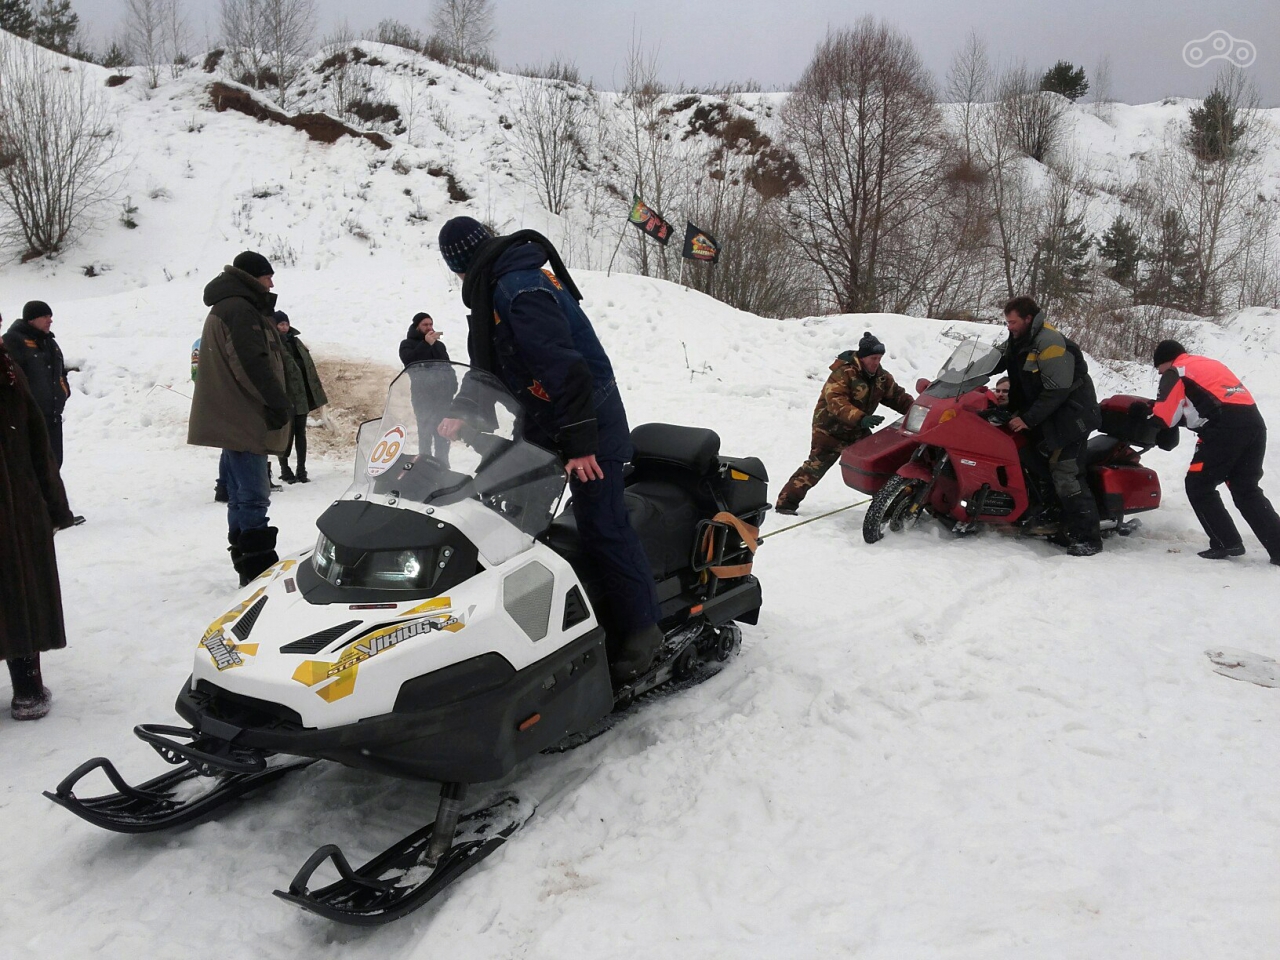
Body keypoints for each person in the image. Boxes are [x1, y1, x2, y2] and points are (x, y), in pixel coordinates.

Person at [434, 216, 662, 684]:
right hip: (543, 416)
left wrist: (580, 446)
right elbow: (491, 366)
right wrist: (462, 408)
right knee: (510, 512)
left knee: (603, 523)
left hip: (589, 421)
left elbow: (567, 369)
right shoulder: (495, 285)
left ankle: (643, 630)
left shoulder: (519, 288)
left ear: (459, 265)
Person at [188, 251, 292, 586]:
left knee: (240, 494)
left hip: (234, 414)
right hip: (246, 415)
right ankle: (256, 568)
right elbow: (251, 364)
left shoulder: (231, 305)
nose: (272, 283)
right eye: (267, 277)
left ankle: (246, 563)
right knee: (253, 495)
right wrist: (276, 402)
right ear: (252, 277)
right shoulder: (239, 308)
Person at [1151, 339, 1280, 563]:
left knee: (1199, 484)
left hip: (1225, 429)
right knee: (1246, 489)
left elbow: (1166, 416)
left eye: (1158, 368)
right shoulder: (1207, 364)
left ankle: (1225, 542)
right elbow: (1207, 403)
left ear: (1165, 361)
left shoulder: (1175, 371)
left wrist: (1144, 414)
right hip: (1254, 425)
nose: (1159, 373)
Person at [1, 336, 76, 720]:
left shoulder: (9, 369)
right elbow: (36, 441)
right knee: (19, 589)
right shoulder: (7, 370)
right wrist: (53, 506)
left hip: (18, 504)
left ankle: (28, 688)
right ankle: (27, 688)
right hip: (17, 507)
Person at [996, 296, 1102, 556]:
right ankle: (1052, 518)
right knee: (1029, 458)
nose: (1009, 326)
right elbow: (995, 361)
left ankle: (1088, 537)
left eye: (1012, 322)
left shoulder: (1051, 342)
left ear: (1028, 319)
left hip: (1071, 416)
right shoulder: (1019, 338)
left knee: (1066, 472)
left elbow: (1057, 390)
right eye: (1007, 322)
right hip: (1046, 413)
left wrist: (1028, 418)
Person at [774, 332, 914, 516]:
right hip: (830, 429)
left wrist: (918, 412)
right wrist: (861, 418)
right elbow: (836, 401)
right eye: (873, 358)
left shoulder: (882, 377)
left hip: (857, 429)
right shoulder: (843, 373)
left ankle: (886, 505)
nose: (876, 362)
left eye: (879, 358)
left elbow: (897, 397)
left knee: (879, 462)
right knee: (815, 467)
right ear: (862, 357)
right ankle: (786, 504)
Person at [273, 311, 327, 484]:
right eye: (280, 324)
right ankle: (285, 469)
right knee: (286, 435)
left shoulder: (296, 342)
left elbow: (307, 368)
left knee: (300, 434)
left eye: (285, 324)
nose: (284, 327)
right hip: (285, 397)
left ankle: (301, 470)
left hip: (301, 395)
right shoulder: (273, 344)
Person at [399, 312, 454, 463]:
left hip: (442, 398)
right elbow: (410, 362)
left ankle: (443, 464)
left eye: (431, 324)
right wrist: (425, 344)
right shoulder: (407, 344)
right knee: (425, 432)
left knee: (442, 433)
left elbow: (448, 367)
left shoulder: (439, 345)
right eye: (425, 325)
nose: (429, 327)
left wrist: (453, 386)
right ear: (417, 327)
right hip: (422, 397)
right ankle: (424, 463)